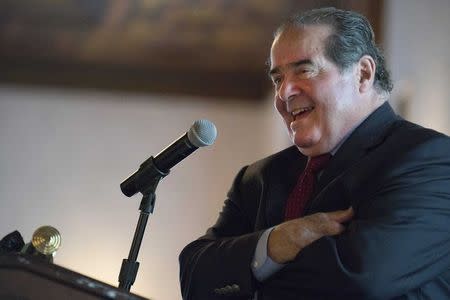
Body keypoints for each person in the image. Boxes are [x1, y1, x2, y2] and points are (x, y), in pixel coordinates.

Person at [179, 7, 450, 300]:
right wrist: (276, 242)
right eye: (277, 79)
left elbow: (359, 280)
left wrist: (249, 278)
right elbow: (194, 276)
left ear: (363, 74)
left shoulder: (432, 160)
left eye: (304, 70)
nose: (284, 93)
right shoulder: (256, 178)